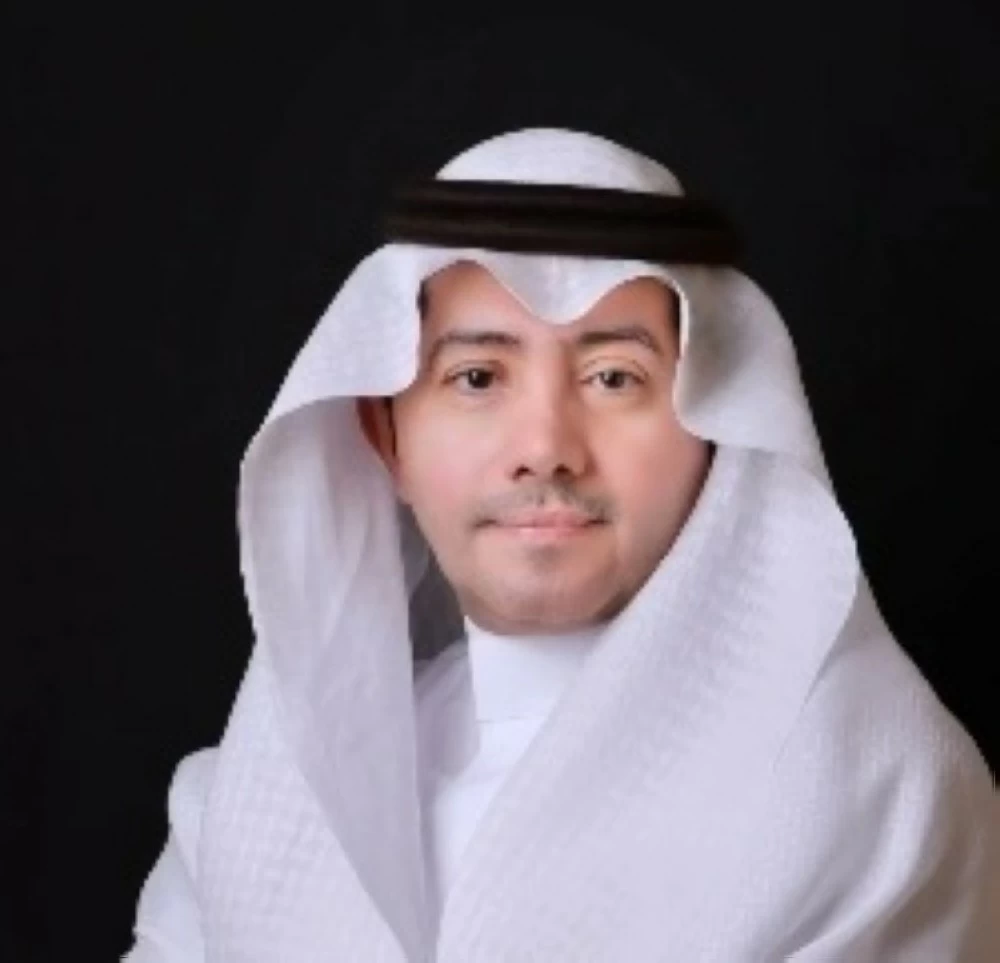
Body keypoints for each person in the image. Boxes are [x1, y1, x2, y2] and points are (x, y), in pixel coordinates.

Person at [124, 128, 997, 962]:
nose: (545, 446)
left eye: (614, 378)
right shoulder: (248, 801)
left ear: (716, 430)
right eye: (477, 378)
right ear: (387, 439)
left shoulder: (874, 789)